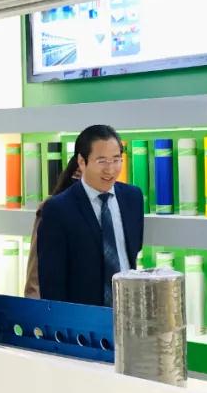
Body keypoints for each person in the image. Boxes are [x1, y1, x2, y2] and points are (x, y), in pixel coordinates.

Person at [37, 125, 144, 306]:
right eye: (102, 161)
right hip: (83, 317)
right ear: (81, 161)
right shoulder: (58, 209)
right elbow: (52, 283)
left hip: (129, 310)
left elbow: (131, 254)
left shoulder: (133, 198)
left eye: (116, 160)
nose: (110, 169)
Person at [24, 154, 81, 298]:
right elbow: (35, 267)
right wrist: (34, 303)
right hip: (60, 301)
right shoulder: (51, 209)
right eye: (77, 175)